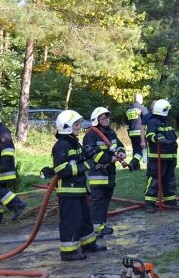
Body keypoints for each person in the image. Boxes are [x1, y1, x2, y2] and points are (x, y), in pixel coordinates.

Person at [52, 110, 106, 261]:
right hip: (68, 191)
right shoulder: (61, 145)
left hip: (79, 188)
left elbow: (78, 159)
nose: (79, 127)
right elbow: (61, 169)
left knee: (84, 218)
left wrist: (87, 154)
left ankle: (89, 244)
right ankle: (68, 251)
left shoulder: (73, 142)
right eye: (76, 124)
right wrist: (83, 167)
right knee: (71, 221)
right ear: (67, 126)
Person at [83, 107, 127, 238]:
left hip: (110, 173)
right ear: (96, 120)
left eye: (107, 117)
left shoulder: (111, 133)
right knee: (97, 201)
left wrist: (121, 152)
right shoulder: (90, 136)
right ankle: (96, 228)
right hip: (98, 174)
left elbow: (119, 145)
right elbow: (93, 155)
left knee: (106, 199)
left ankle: (102, 225)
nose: (106, 119)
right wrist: (111, 158)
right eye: (103, 117)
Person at [144, 99, 179, 212]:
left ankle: (170, 202)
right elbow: (149, 135)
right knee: (155, 181)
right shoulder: (153, 122)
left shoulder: (164, 122)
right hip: (157, 159)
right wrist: (157, 137)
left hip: (169, 158)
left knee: (169, 181)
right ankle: (149, 204)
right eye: (167, 110)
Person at [126, 93, 148, 165]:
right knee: (142, 150)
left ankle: (135, 167)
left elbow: (127, 122)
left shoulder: (129, 109)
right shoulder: (142, 107)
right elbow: (147, 118)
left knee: (135, 150)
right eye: (142, 99)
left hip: (131, 133)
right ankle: (133, 163)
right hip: (140, 132)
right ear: (139, 99)